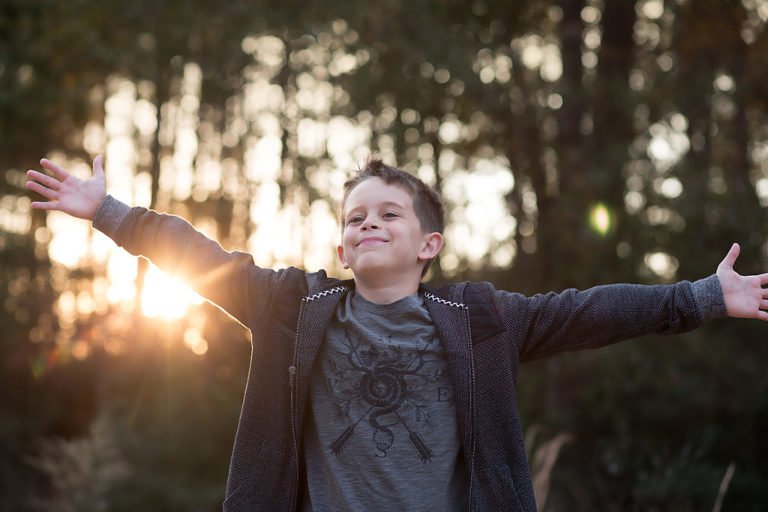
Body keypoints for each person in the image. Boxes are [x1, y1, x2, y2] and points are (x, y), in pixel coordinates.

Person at [26, 156, 768, 511]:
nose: (368, 223)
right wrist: (109, 212)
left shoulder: (480, 320)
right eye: (355, 218)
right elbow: (199, 257)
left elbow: (588, 310)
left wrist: (701, 296)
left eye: (389, 214)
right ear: (342, 250)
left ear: (428, 245)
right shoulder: (294, 308)